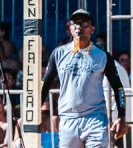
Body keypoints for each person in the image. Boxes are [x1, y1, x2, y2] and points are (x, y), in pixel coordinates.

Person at [40, 9, 127, 147]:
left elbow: (118, 87)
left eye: (84, 23)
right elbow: (45, 84)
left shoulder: (103, 56)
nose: (79, 27)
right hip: (68, 119)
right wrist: (34, 112)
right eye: (75, 23)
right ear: (70, 27)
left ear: (92, 29)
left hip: (95, 119)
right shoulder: (58, 53)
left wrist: (122, 116)